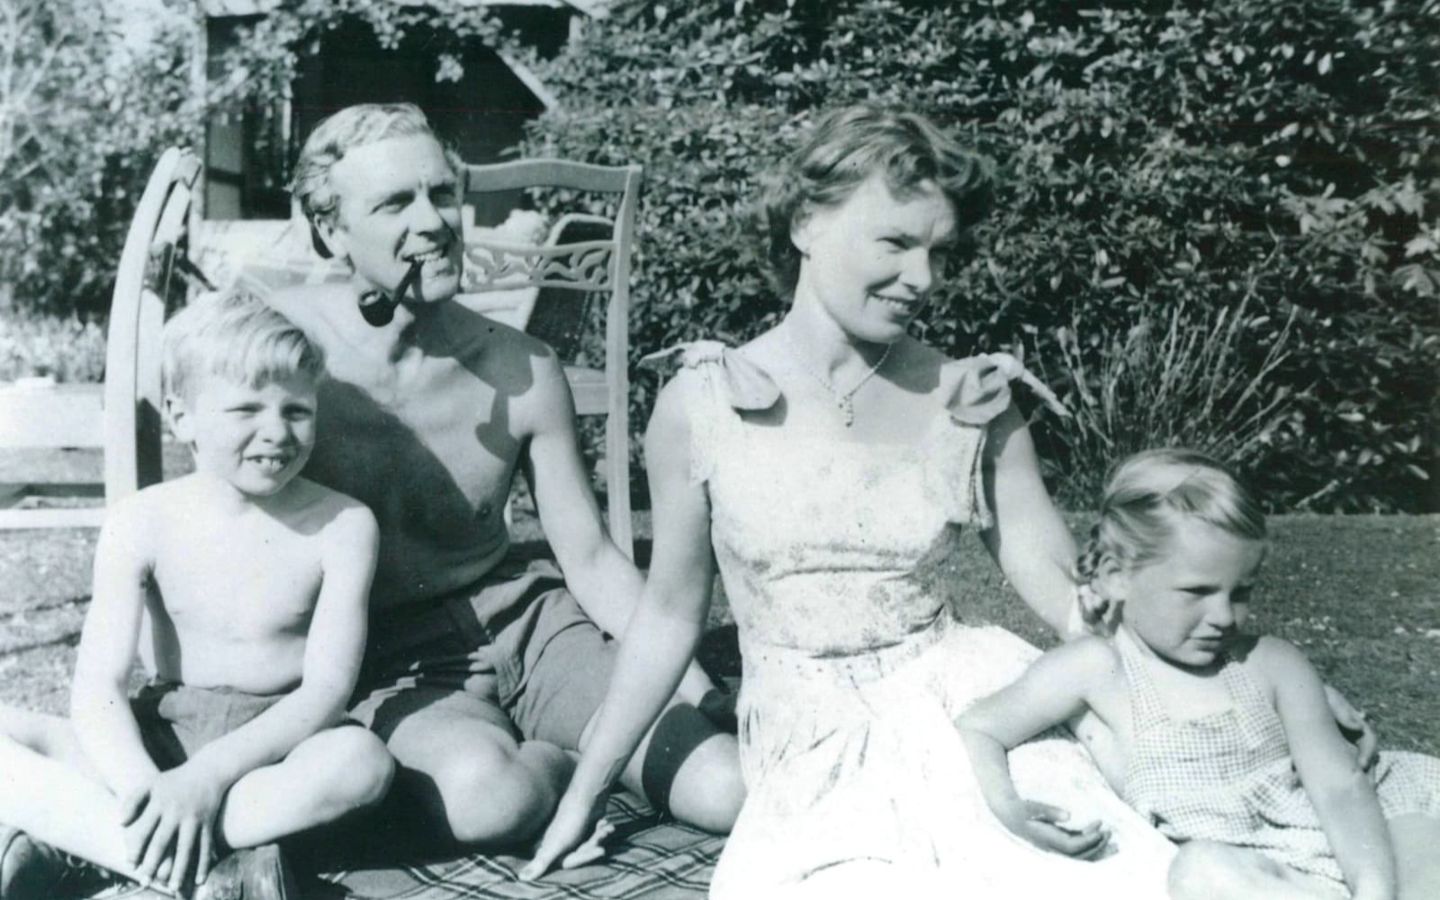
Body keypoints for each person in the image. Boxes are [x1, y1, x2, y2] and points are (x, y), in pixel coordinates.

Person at [525, 104, 1378, 896]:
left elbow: (1071, 591)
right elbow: (670, 617)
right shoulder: (702, 402)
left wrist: (1253, 688)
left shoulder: (970, 397)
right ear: (805, 223)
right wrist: (584, 793)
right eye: (895, 242)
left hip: (965, 701)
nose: (923, 276)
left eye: (939, 251)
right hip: (809, 735)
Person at [267, 102, 743, 854]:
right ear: (331, 230)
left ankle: (575, 744)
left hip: (532, 628)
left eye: (442, 194)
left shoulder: (520, 367)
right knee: (488, 802)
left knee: (726, 788)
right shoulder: (284, 357)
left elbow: (588, 559)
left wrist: (696, 689)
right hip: (394, 659)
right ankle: (563, 765)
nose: (433, 222)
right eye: (395, 203)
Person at [0, 291, 395, 899]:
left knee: (361, 763)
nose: (276, 431)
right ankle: (203, 869)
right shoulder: (141, 520)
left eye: (297, 410)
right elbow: (98, 686)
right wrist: (145, 789)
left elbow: (326, 691)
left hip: (272, 754)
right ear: (181, 417)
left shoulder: (342, 526)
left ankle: (91, 845)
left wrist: (207, 779)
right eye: (245, 410)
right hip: (160, 737)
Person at [959, 448, 1440, 900]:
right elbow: (981, 726)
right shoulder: (1099, 669)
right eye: (1197, 591)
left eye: (1241, 592)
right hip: (1261, 876)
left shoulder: (1271, 663)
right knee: (1199, 870)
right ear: (1115, 575)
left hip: (1370, 836)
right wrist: (1011, 810)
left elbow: (1340, 788)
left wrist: (1374, 891)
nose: (1224, 616)